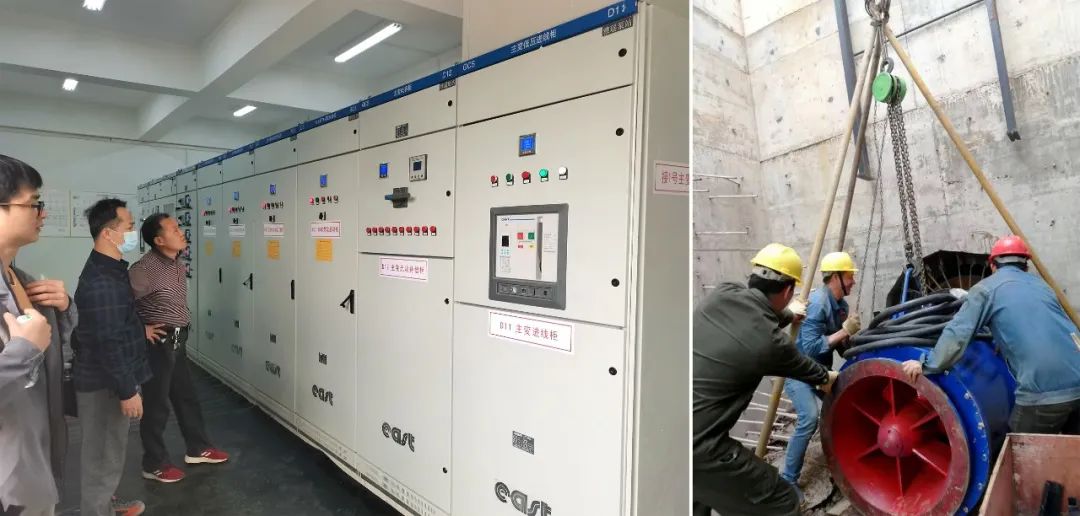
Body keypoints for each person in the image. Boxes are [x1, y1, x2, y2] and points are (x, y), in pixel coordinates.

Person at [693, 243, 839, 516]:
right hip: (702, 448)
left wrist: (789, 315)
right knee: (782, 503)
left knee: (698, 497)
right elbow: (812, 370)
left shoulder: (722, 293)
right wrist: (830, 377)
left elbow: (753, 317)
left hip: (665, 431)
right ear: (788, 291)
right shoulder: (772, 344)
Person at [903, 235, 1080, 435]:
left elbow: (958, 333)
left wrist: (927, 363)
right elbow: (1038, 324)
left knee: (1020, 449)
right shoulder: (1042, 286)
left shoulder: (985, 289)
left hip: (1044, 392)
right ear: (1026, 266)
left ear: (992, 265)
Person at [0, 154, 78, 516]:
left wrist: (64, 309)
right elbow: (27, 353)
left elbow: (54, 357)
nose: (42, 214)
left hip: (37, 460)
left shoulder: (23, 280)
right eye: (33, 204)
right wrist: (23, 352)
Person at [132, 213, 228, 483]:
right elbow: (121, 304)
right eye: (174, 229)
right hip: (158, 342)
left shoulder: (176, 262)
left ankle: (198, 448)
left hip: (177, 339)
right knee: (156, 404)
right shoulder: (143, 270)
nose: (181, 231)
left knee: (186, 396)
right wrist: (140, 329)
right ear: (159, 240)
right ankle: (154, 463)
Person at [71, 199, 148, 516]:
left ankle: (105, 503)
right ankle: (96, 509)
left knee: (108, 452)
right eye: (129, 226)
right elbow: (108, 342)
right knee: (102, 456)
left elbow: (111, 326)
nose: (134, 231)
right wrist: (127, 390)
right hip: (106, 385)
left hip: (108, 379)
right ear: (108, 233)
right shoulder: (104, 282)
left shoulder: (110, 270)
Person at [780, 252, 861, 490]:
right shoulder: (817, 304)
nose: (853, 281)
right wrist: (844, 331)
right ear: (835, 277)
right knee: (809, 418)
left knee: (845, 406)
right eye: (849, 276)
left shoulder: (841, 305)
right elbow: (812, 348)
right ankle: (788, 480)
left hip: (821, 372)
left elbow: (841, 348)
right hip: (799, 372)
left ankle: (845, 462)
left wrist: (858, 346)